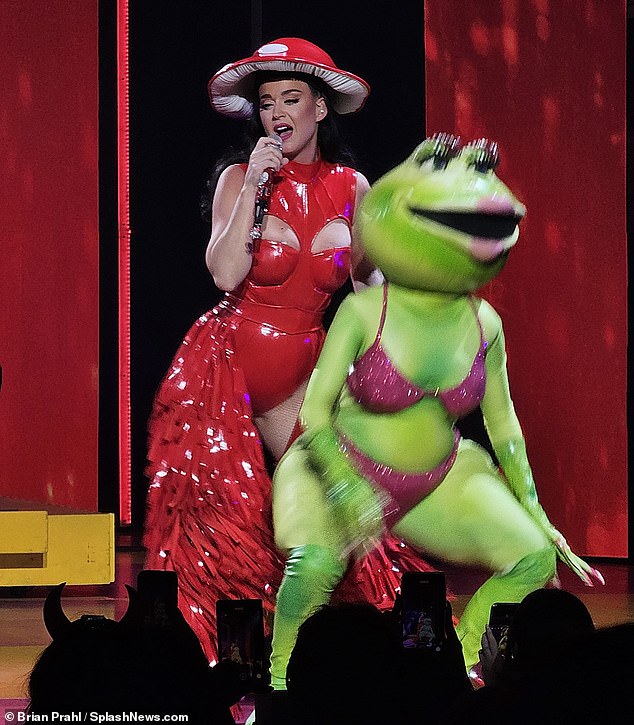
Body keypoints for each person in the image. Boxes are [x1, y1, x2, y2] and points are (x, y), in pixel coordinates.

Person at [268, 133, 604, 687]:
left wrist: (536, 510)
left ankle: (465, 665)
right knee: (317, 568)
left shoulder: (485, 324)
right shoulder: (362, 310)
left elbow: (504, 424)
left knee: (533, 557)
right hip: (336, 465)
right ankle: (279, 686)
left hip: (435, 480)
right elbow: (317, 412)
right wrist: (348, 490)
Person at [143, 37, 432, 664]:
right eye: (268, 101)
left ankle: (383, 651)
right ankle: (212, 661)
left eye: (292, 99)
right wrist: (252, 182)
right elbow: (224, 273)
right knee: (220, 531)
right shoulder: (237, 179)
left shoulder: (351, 186)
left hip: (306, 365)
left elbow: (368, 288)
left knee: (348, 507)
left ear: (320, 110)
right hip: (224, 367)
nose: (278, 111)